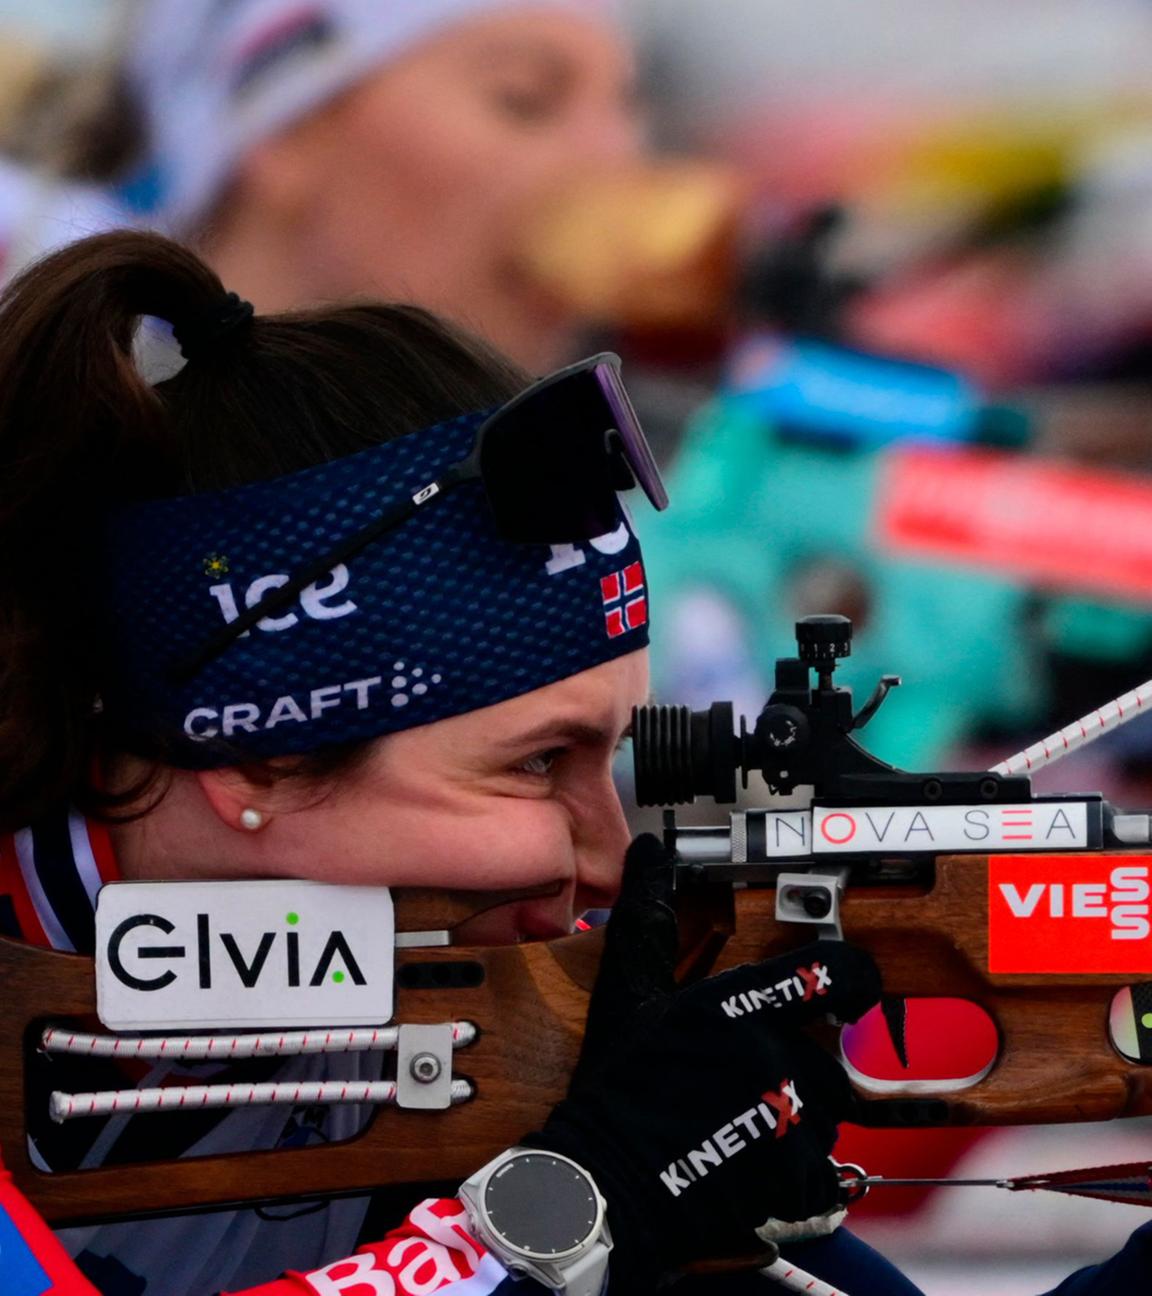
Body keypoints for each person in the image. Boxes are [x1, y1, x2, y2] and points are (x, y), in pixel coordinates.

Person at [0, 226, 933, 1296]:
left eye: (610, 757)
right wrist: (556, 1218)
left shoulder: (443, 985)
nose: (609, 860)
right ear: (257, 759)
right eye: (538, 765)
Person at [111, 0, 641, 373]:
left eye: (624, 111)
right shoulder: (88, 452)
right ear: (293, 132)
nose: (615, 164)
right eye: (524, 98)